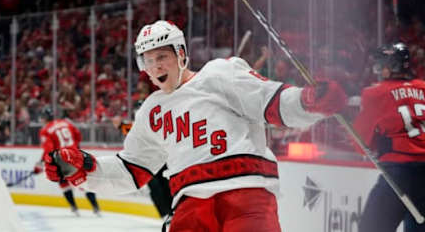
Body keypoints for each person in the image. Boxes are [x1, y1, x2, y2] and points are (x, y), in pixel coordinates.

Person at [44, 20, 346, 231]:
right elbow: (131, 170)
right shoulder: (151, 110)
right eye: (148, 61)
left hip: (246, 196)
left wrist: (307, 101)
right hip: (190, 206)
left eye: (161, 57)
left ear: (181, 55)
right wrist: (85, 167)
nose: (155, 67)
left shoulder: (220, 74)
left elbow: (272, 102)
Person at [354, 42, 425, 232]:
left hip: (400, 174)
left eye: (382, 65)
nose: (380, 70)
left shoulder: (375, 93)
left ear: (390, 67)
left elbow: (361, 143)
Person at [36, 107, 101, 216]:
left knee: (64, 183)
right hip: (75, 155)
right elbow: (78, 135)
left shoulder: (45, 130)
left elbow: (49, 150)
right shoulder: (65, 123)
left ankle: (74, 208)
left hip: (61, 159)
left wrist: (42, 163)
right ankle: (96, 207)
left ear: (45, 118)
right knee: (83, 182)